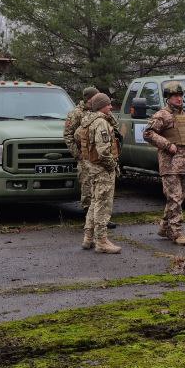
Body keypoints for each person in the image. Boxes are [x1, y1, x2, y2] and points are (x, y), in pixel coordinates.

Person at [144, 81, 185, 245]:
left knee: (178, 199)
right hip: (169, 165)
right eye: (175, 96)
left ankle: (164, 226)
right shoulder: (162, 115)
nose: (179, 99)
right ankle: (176, 232)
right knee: (175, 198)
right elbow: (148, 133)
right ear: (168, 98)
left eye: (180, 95)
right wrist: (167, 144)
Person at [77, 93, 121, 254]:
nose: (111, 107)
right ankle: (101, 241)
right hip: (102, 169)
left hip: (92, 168)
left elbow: (77, 137)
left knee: (95, 202)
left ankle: (88, 237)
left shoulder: (87, 121)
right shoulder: (101, 122)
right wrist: (112, 165)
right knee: (103, 204)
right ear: (101, 106)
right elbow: (103, 152)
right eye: (108, 104)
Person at [64, 85, 100, 211]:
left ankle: (99, 214)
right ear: (89, 99)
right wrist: (77, 154)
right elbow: (68, 135)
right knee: (87, 184)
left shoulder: (99, 111)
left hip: (98, 154)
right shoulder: (76, 113)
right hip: (84, 155)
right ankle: (88, 213)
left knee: (100, 186)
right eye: (96, 97)